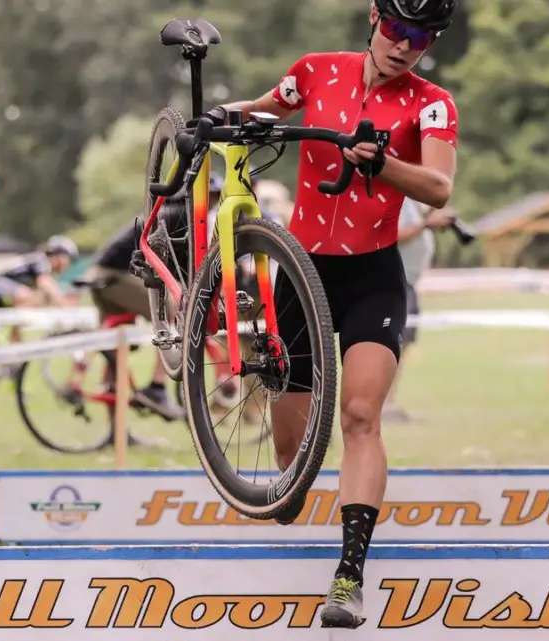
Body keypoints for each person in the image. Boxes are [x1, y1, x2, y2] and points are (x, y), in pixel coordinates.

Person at [195, 0, 458, 627]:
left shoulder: (432, 103)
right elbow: (258, 110)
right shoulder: (316, 71)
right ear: (373, 18)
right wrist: (207, 120)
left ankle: (349, 576)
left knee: (361, 416)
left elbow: (440, 188)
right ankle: (292, 494)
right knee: (292, 454)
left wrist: (384, 163)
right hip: (305, 274)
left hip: (374, 276)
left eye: (419, 38)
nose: (403, 45)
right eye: (395, 29)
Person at [79, 175, 230, 420]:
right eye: (210, 197)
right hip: (117, 275)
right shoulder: (180, 216)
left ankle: (116, 430)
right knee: (177, 311)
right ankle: (157, 388)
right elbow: (184, 269)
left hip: (104, 274)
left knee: (117, 347)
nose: (212, 203)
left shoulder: (168, 211)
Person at [381, 198, 456, 422]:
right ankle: (382, 404)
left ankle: (389, 402)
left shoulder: (411, 201)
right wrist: (426, 225)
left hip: (409, 282)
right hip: (395, 280)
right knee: (391, 345)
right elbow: (392, 236)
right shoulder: (396, 200)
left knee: (403, 345)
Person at [0, 235, 80, 343]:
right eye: (69, 260)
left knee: (36, 300)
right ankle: (14, 339)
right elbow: (46, 285)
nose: (68, 265)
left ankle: (15, 338)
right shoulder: (41, 260)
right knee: (29, 296)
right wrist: (63, 305)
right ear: (60, 257)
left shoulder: (42, 265)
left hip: (0, 289)